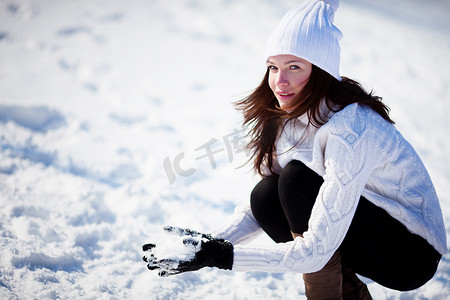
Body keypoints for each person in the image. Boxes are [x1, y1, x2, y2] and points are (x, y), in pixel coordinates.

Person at [142, 1, 447, 299]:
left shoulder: (352, 131)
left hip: (410, 254)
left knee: (296, 179)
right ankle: (348, 293)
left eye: (294, 67)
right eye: (273, 67)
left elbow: (315, 249)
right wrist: (206, 244)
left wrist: (223, 256)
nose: (279, 81)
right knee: (266, 195)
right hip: (359, 227)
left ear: (321, 71)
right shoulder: (286, 117)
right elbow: (267, 208)